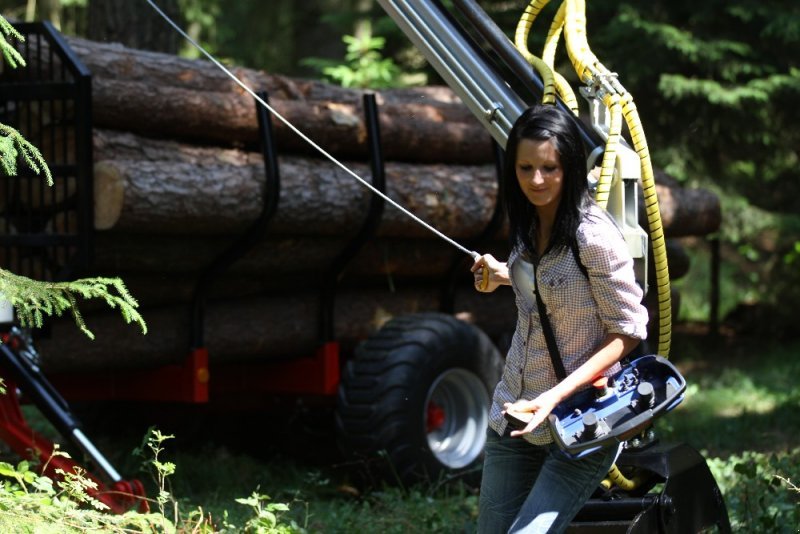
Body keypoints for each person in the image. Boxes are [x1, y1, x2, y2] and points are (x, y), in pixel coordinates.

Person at [470, 104, 649, 533]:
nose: (536, 180)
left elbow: (628, 330)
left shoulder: (593, 236)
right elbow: (557, 289)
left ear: (569, 166)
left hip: (579, 421)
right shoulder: (528, 222)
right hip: (513, 413)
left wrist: (552, 397)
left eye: (549, 168)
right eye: (525, 167)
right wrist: (505, 274)